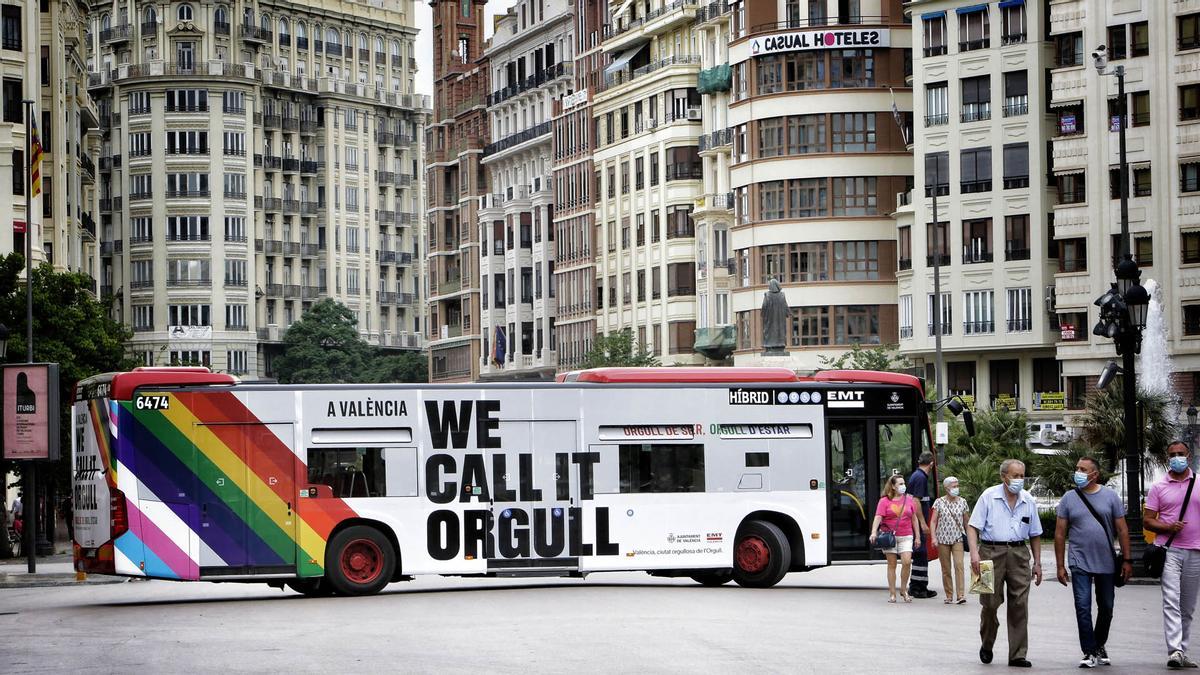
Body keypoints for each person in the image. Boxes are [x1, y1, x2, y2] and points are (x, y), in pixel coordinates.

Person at [1054, 455, 1133, 668]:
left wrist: (1127, 560)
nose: (1077, 472)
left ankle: (1099, 643)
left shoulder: (1111, 497)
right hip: (1079, 561)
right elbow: (1060, 533)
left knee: (1106, 607)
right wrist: (1060, 565)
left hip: (1106, 561)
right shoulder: (1069, 498)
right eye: (1077, 468)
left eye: (1082, 469)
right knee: (1082, 606)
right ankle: (1089, 650)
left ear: (1095, 474)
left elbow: (1122, 529)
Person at [967, 459, 1043, 668]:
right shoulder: (988, 496)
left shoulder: (1028, 500)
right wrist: (974, 554)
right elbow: (972, 527)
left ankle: (1017, 654)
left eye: (1022, 476)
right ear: (1003, 476)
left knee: (1019, 604)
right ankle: (987, 643)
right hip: (988, 552)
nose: (1019, 480)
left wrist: (1037, 563)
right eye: (1015, 475)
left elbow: (1035, 534)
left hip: (1019, 553)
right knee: (989, 604)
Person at [1145, 440, 1200, 669]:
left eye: (1181, 453)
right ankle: (1175, 650)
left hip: (1195, 550)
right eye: (1172, 454)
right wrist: (1168, 528)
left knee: (1187, 606)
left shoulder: (1198, 484)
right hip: (1169, 550)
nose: (1176, 457)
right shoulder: (1158, 487)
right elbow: (1147, 520)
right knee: (1171, 601)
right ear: (1168, 458)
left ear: (1189, 456)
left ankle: (1182, 650)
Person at [869, 473, 922, 603]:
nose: (903, 486)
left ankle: (903, 589)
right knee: (891, 565)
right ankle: (892, 593)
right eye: (900, 484)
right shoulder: (884, 501)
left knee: (907, 562)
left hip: (906, 535)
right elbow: (878, 517)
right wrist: (874, 532)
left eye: (904, 483)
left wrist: (918, 537)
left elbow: (914, 519)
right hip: (890, 537)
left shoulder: (909, 500)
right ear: (893, 486)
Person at [930, 475, 970, 605]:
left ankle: (961, 595)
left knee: (959, 565)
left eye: (957, 486)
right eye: (954, 486)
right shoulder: (939, 502)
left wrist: (970, 537)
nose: (956, 488)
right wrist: (933, 537)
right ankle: (948, 594)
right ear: (946, 488)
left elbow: (966, 522)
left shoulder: (963, 502)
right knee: (946, 568)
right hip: (942, 539)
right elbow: (933, 521)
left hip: (958, 538)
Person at [907, 451, 937, 599]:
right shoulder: (920, 478)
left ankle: (918, 585)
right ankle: (918, 588)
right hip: (919, 522)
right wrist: (923, 523)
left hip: (917, 522)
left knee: (921, 553)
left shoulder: (917, 475)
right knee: (921, 553)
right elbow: (916, 501)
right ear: (931, 464)